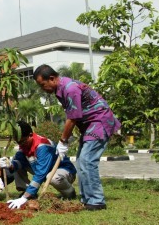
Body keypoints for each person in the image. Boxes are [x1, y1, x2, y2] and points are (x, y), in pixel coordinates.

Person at [33, 64, 121, 211]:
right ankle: (87, 199)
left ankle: (97, 201)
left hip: (99, 121)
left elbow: (72, 118)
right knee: (81, 161)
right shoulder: (61, 89)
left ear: (52, 78)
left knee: (87, 161)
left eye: (43, 85)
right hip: (89, 125)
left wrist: (63, 141)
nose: (43, 89)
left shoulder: (70, 88)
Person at [0, 121, 77, 209]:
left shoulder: (42, 146)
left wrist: (24, 198)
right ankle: (27, 192)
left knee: (52, 178)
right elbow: (18, 162)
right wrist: (10, 165)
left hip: (64, 171)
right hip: (44, 169)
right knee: (18, 165)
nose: (20, 144)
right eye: (18, 142)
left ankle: (70, 193)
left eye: (22, 141)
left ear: (30, 135)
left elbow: (40, 174)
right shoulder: (24, 144)